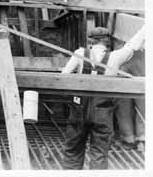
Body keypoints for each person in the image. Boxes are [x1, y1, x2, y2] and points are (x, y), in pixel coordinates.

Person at [61, 25, 145, 170]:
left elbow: (63, 77)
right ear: (107, 41)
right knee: (99, 154)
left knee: (72, 153)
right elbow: (132, 46)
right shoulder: (115, 57)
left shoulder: (79, 53)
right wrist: (145, 29)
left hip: (79, 111)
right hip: (102, 112)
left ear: (90, 41)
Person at [114, 47, 145, 150]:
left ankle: (129, 138)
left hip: (123, 52)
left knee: (123, 102)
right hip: (142, 53)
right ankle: (142, 138)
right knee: (143, 100)